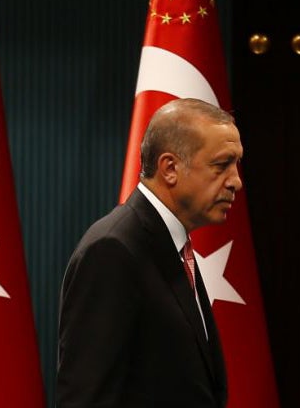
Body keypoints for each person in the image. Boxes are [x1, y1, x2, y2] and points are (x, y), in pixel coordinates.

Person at [56, 98, 243, 408]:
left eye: (236, 165)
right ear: (169, 168)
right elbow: (87, 399)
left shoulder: (172, 245)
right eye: (221, 165)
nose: (236, 181)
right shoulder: (112, 250)